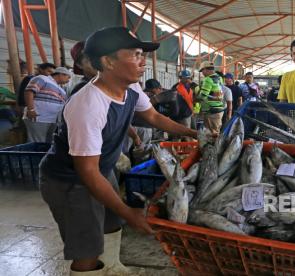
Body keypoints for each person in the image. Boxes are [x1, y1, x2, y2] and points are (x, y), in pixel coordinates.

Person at [39, 27, 197, 275]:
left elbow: (154, 116)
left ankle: (112, 267)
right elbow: (87, 172)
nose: (143, 61)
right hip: (70, 181)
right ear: (108, 61)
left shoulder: (131, 89)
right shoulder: (88, 105)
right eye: (135, 54)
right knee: (87, 247)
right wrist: (131, 212)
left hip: (102, 170)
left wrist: (194, 134)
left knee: (112, 223)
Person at [24, 67, 71, 143]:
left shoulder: (61, 89)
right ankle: (36, 155)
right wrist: (31, 109)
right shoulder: (42, 79)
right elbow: (29, 92)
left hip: (52, 119)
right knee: (37, 141)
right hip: (39, 117)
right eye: (68, 77)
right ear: (61, 74)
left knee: (48, 142)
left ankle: (44, 155)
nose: (68, 80)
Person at [196, 61, 224, 134]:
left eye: (202, 71)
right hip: (219, 109)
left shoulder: (207, 79)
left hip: (211, 110)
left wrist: (196, 96)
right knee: (217, 131)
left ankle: (214, 145)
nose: (202, 73)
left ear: (205, 69)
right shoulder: (219, 78)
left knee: (211, 133)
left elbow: (202, 96)